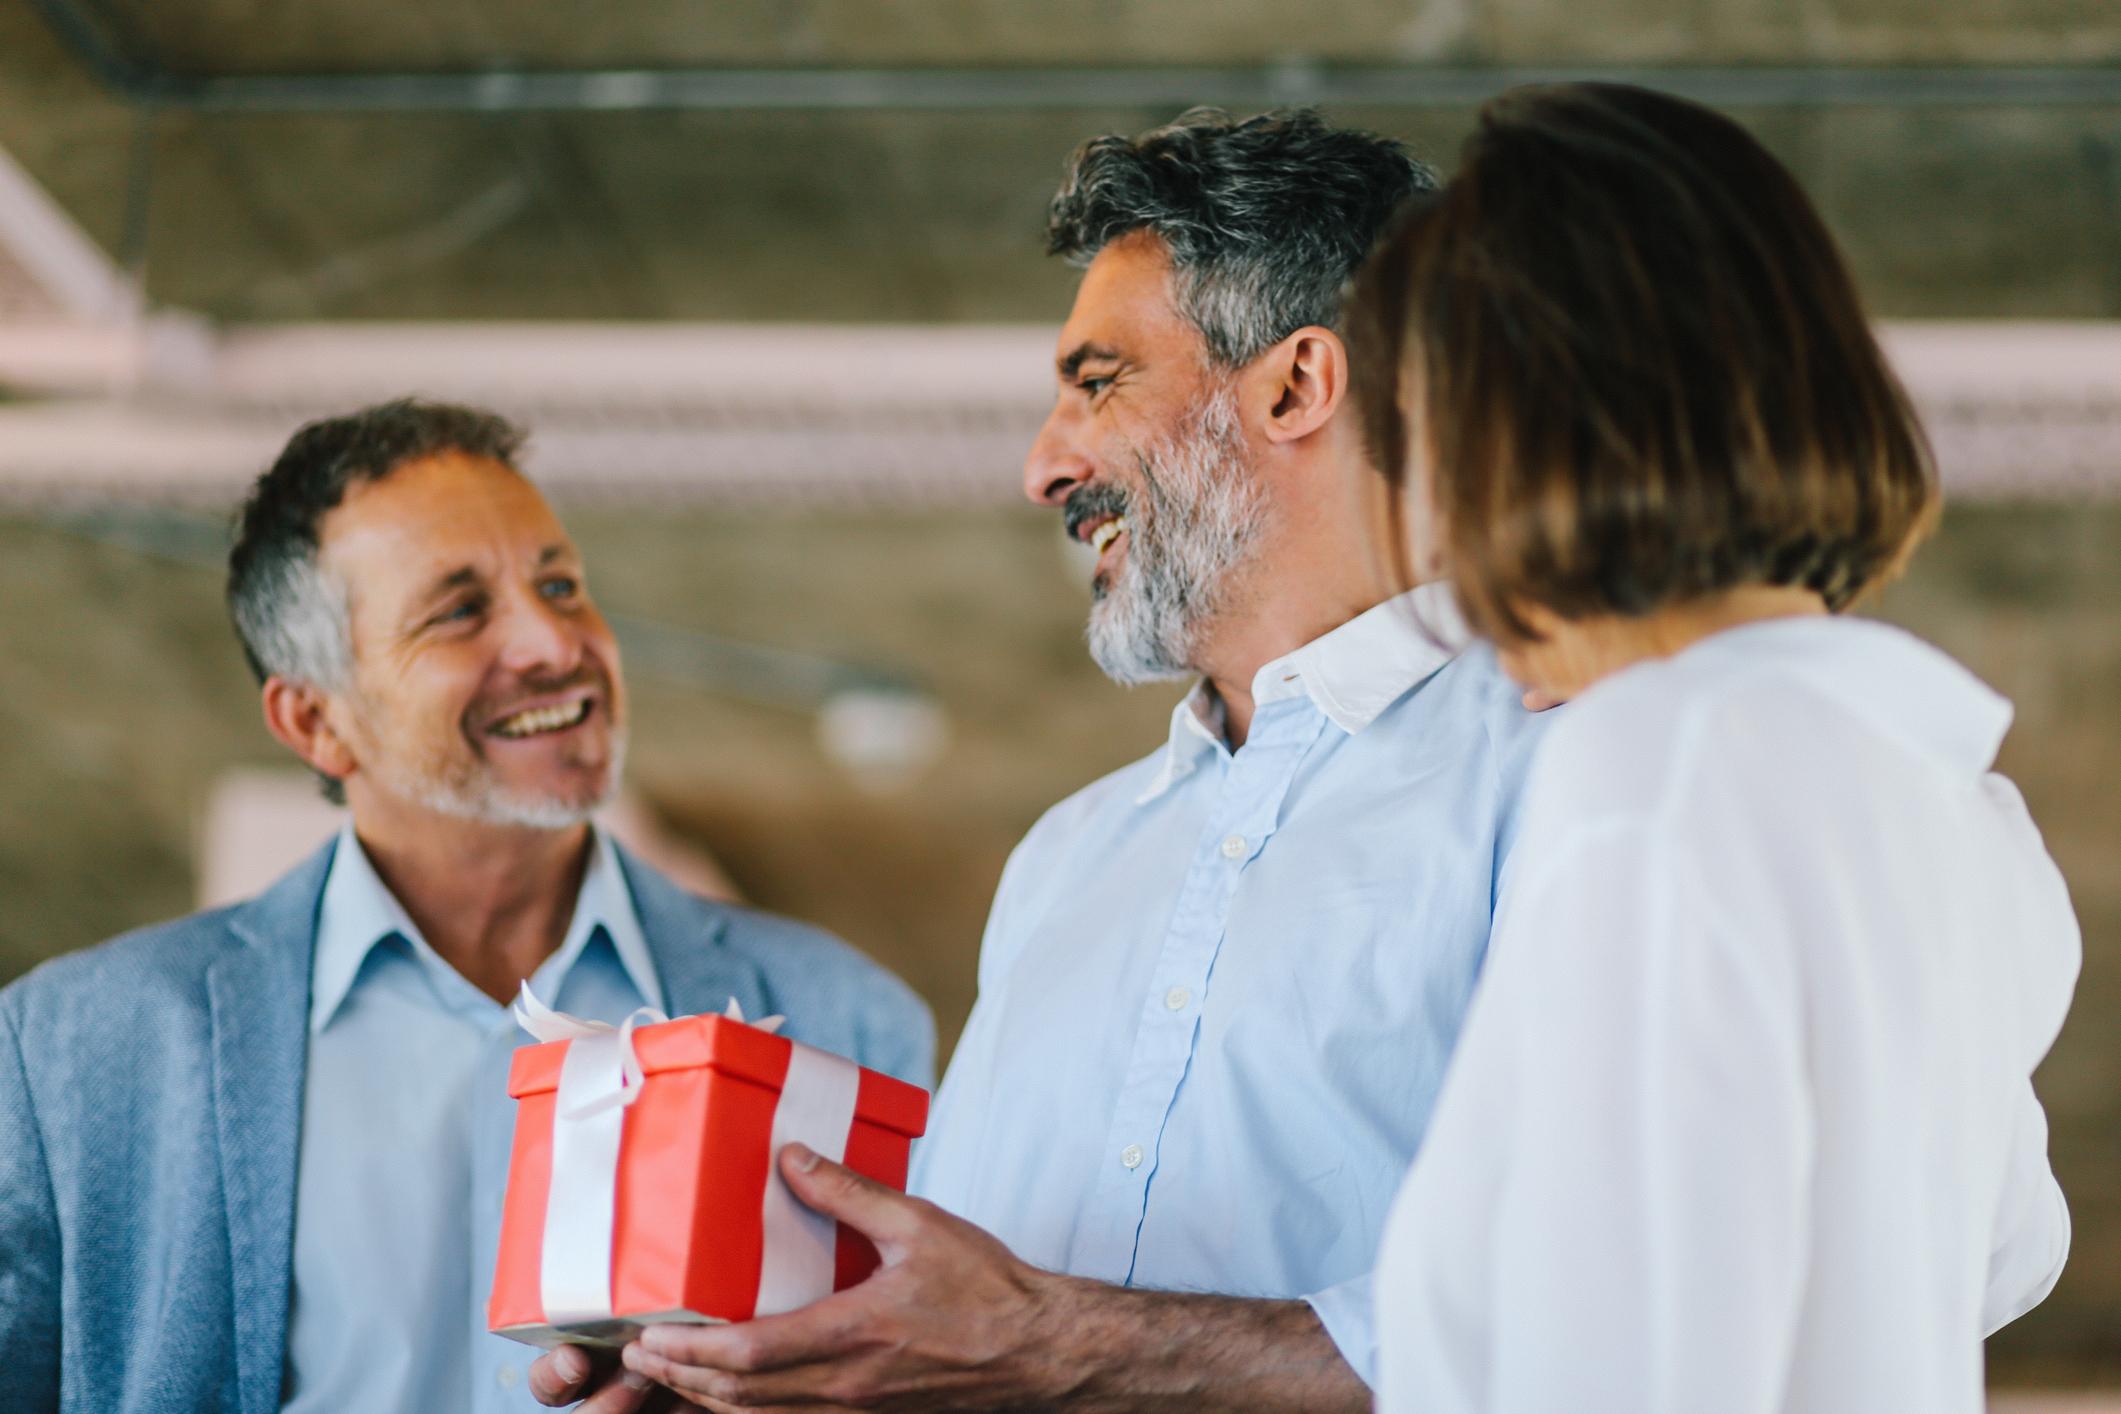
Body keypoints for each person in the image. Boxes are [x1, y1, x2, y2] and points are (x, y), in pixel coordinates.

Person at [536, 109, 1550, 1413]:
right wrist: (772, 1370)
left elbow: (1640, 1323)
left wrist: (1074, 1345)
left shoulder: (1566, 780)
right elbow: (963, 1339)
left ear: (1295, 385)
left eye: (1098, 378)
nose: (1041, 464)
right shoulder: (1067, 857)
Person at [1347, 83, 2080, 1413]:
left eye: (1423, 439)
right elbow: (2003, 1256)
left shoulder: (1656, 767)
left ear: (1536, 421)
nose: (1434, 540)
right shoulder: (1951, 802)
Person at [0, 399, 933, 1414]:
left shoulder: (849, 1017)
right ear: (316, 719)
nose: (553, 641)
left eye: (561, 583)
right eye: (459, 610)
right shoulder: (71, 1052)